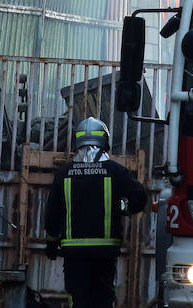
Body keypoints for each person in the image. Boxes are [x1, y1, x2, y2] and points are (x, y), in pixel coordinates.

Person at [44, 117, 147, 308]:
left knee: (79, 299)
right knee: (103, 298)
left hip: (74, 254)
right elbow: (140, 196)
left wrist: (51, 243)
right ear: (104, 141)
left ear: (78, 142)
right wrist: (124, 208)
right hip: (105, 253)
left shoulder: (64, 173)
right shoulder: (115, 171)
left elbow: (52, 213)